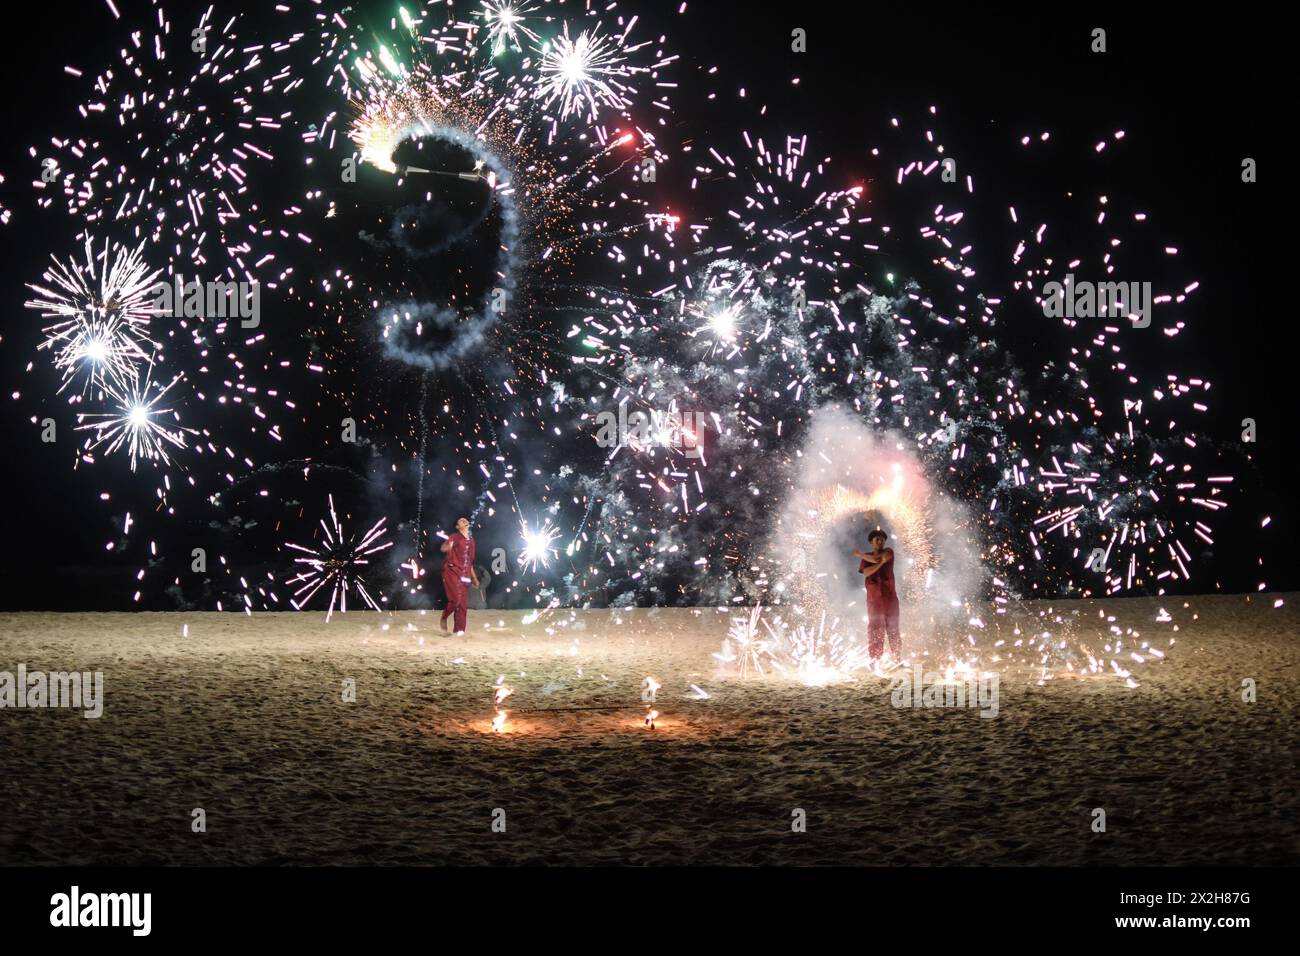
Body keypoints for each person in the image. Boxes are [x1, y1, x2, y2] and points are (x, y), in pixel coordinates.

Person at [853, 527, 901, 664]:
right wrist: (878, 563)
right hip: (874, 600)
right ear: (871, 542)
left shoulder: (889, 552)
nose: (880, 541)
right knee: (875, 629)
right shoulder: (867, 559)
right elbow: (867, 572)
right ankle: (875, 660)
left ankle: (897, 659)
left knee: (893, 629)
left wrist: (861, 555)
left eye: (882, 539)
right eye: (876, 539)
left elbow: (879, 559)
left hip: (890, 599)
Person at [439, 517, 478, 635]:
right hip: (451, 571)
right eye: (461, 521)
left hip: (464, 574)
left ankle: (459, 631)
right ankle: (444, 617)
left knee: (463, 604)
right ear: (457, 527)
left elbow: (469, 562)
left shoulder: (471, 541)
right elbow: (443, 548)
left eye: (465, 520)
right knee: (456, 599)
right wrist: (448, 547)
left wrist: (474, 577)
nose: (465, 521)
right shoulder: (455, 537)